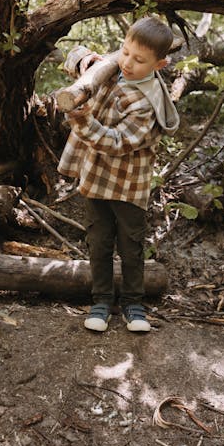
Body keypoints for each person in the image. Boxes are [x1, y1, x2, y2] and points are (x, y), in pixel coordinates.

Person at [58, 16, 180, 333]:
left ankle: (133, 305)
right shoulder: (117, 67)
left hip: (128, 185)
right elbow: (75, 59)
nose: (127, 62)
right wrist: (88, 61)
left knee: (131, 245)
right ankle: (100, 301)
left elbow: (116, 142)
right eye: (124, 52)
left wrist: (82, 120)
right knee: (98, 242)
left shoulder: (146, 103)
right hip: (97, 178)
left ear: (160, 64)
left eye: (139, 60)